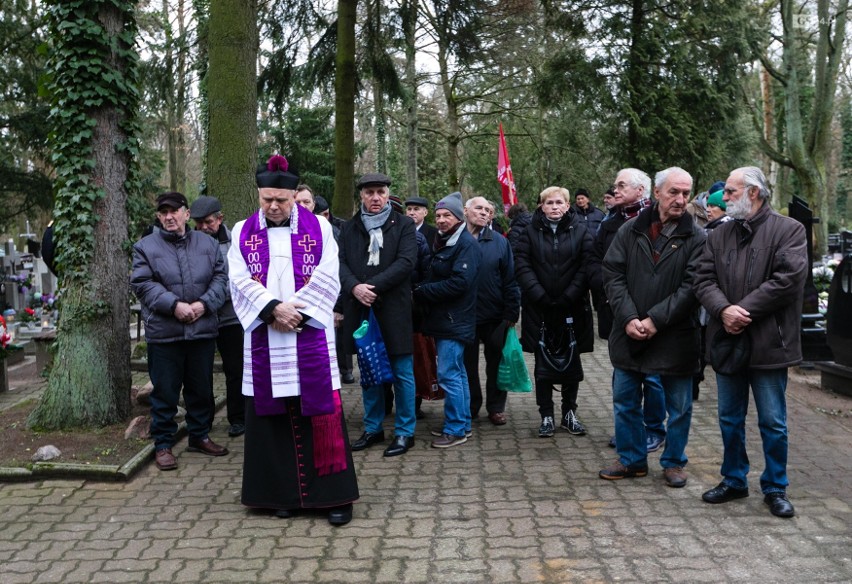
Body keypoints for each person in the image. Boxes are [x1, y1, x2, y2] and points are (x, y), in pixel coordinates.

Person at [229, 154, 358, 525]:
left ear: (294, 196)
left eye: (280, 200)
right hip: (267, 333)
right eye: (266, 199)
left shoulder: (320, 228)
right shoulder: (241, 231)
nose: (273, 206)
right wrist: (271, 309)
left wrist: (296, 312)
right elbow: (237, 279)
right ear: (259, 195)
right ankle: (279, 494)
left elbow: (328, 275)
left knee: (319, 410)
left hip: (307, 331)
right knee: (271, 417)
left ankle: (333, 497)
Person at [694, 166, 807, 518]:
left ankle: (775, 486)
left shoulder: (789, 230)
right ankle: (734, 479)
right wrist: (723, 309)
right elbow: (701, 277)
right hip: (728, 340)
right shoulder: (719, 235)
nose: (722, 198)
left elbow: (788, 279)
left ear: (753, 193)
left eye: (729, 191)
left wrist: (742, 309)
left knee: (773, 421)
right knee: (729, 417)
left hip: (769, 343)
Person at [599, 167, 705, 489]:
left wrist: (655, 319)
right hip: (628, 332)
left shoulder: (697, 237)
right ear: (656, 193)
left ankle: (673, 462)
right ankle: (632, 460)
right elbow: (612, 274)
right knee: (625, 400)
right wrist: (630, 317)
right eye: (674, 192)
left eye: (686, 193)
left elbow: (692, 287)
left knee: (680, 407)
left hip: (675, 336)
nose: (680, 199)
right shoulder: (630, 229)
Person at [131, 191, 229, 472]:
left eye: (174, 211)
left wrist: (202, 304)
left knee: (201, 388)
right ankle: (163, 444)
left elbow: (221, 278)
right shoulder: (144, 247)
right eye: (163, 212)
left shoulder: (208, 244)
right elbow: (142, 283)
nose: (169, 216)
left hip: (201, 330)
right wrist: (174, 306)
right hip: (165, 333)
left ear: (187, 214)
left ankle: (199, 436)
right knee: (165, 391)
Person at [338, 173, 419, 457]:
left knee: (402, 374)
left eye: (380, 192)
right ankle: (373, 428)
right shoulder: (349, 228)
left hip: (393, 309)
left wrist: (371, 287)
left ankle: (405, 432)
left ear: (388, 195)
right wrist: (355, 288)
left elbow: (406, 262)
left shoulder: (404, 225)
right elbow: (340, 263)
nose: (375, 197)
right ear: (361, 195)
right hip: (360, 308)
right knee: (369, 372)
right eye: (370, 192)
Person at [589, 168, 667, 453]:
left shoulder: (658, 221)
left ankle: (654, 430)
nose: (615, 189)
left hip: (650, 314)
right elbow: (596, 260)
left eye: (622, 185)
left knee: (653, 377)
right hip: (618, 309)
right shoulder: (609, 222)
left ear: (640, 190)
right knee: (622, 374)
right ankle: (629, 429)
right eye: (616, 184)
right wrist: (607, 290)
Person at [514, 186, 594, 438]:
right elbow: (521, 263)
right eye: (549, 203)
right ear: (541, 206)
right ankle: (546, 414)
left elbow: (587, 264)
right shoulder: (528, 232)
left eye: (559, 202)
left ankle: (569, 413)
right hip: (540, 309)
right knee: (543, 364)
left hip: (573, 308)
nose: (554, 207)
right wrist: (539, 294)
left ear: (568, 205)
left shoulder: (582, 231)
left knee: (572, 362)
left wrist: (570, 294)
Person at [413, 191, 481, 448]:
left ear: (459, 217)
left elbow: (460, 283)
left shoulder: (465, 245)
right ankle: (462, 423)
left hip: (454, 320)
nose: (441, 220)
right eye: (439, 215)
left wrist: (422, 292)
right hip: (447, 319)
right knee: (458, 373)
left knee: (448, 375)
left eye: (447, 215)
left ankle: (454, 429)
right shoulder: (446, 240)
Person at [189, 195, 246, 438]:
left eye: (208, 222)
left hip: (230, 317)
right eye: (198, 223)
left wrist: (204, 301)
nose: (203, 227)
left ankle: (238, 417)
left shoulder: (237, 241)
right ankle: (204, 420)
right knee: (200, 372)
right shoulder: (189, 241)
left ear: (220, 219)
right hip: (199, 319)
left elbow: (234, 281)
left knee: (236, 370)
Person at [462, 196, 521, 425]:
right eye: (479, 208)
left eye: (488, 210)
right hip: (464, 315)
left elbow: (510, 279)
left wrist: (511, 313)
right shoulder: (455, 239)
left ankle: (496, 407)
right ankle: (470, 406)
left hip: (494, 315)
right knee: (467, 365)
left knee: (496, 363)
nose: (484, 213)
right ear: (466, 211)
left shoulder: (499, 242)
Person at [693, 186, 732, 400]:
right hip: (707, 296)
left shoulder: (723, 231)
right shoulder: (710, 228)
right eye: (707, 206)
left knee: (704, 340)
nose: (708, 210)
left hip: (715, 298)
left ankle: (696, 381)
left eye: (714, 206)